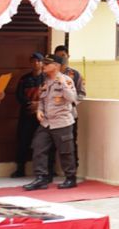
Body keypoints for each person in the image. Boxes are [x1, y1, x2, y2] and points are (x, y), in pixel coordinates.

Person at [24, 55, 80, 190]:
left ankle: (70, 178)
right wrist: (39, 111)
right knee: (38, 147)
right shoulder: (45, 81)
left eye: (47, 64)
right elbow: (42, 100)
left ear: (56, 66)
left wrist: (62, 84)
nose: (44, 65)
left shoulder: (66, 80)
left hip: (62, 122)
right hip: (46, 122)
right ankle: (41, 178)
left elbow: (73, 98)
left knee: (66, 152)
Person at [13, 53, 46, 177]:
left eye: (38, 61)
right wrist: (30, 104)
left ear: (42, 63)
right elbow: (19, 95)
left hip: (41, 116)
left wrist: (38, 105)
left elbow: (49, 96)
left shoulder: (46, 79)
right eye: (33, 61)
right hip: (26, 115)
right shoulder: (24, 79)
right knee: (23, 141)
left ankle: (46, 170)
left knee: (43, 143)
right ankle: (20, 169)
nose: (36, 63)